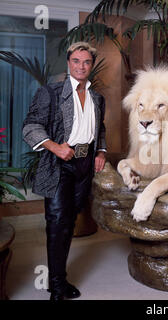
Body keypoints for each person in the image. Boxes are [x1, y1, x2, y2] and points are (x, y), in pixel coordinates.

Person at [22, 42, 107, 300]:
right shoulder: (51, 91)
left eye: (86, 62)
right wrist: (55, 147)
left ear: (91, 65)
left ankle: (57, 278)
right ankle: (57, 287)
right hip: (59, 164)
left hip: (84, 166)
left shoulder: (97, 97)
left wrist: (101, 151)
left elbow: (100, 129)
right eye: (76, 61)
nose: (81, 66)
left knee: (69, 222)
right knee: (58, 224)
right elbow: (30, 126)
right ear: (68, 63)